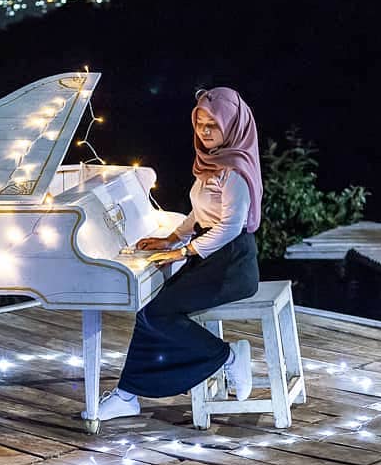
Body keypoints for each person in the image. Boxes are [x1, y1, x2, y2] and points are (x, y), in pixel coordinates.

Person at [84, 86, 263, 421]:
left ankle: (229, 358)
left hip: (232, 264)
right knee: (151, 309)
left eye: (213, 125)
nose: (205, 132)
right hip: (212, 256)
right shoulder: (213, 163)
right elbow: (202, 212)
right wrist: (170, 239)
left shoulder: (235, 170)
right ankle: (127, 394)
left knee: (156, 314)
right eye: (199, 125)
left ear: (232, 124)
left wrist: (183, 252)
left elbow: (231, 226)